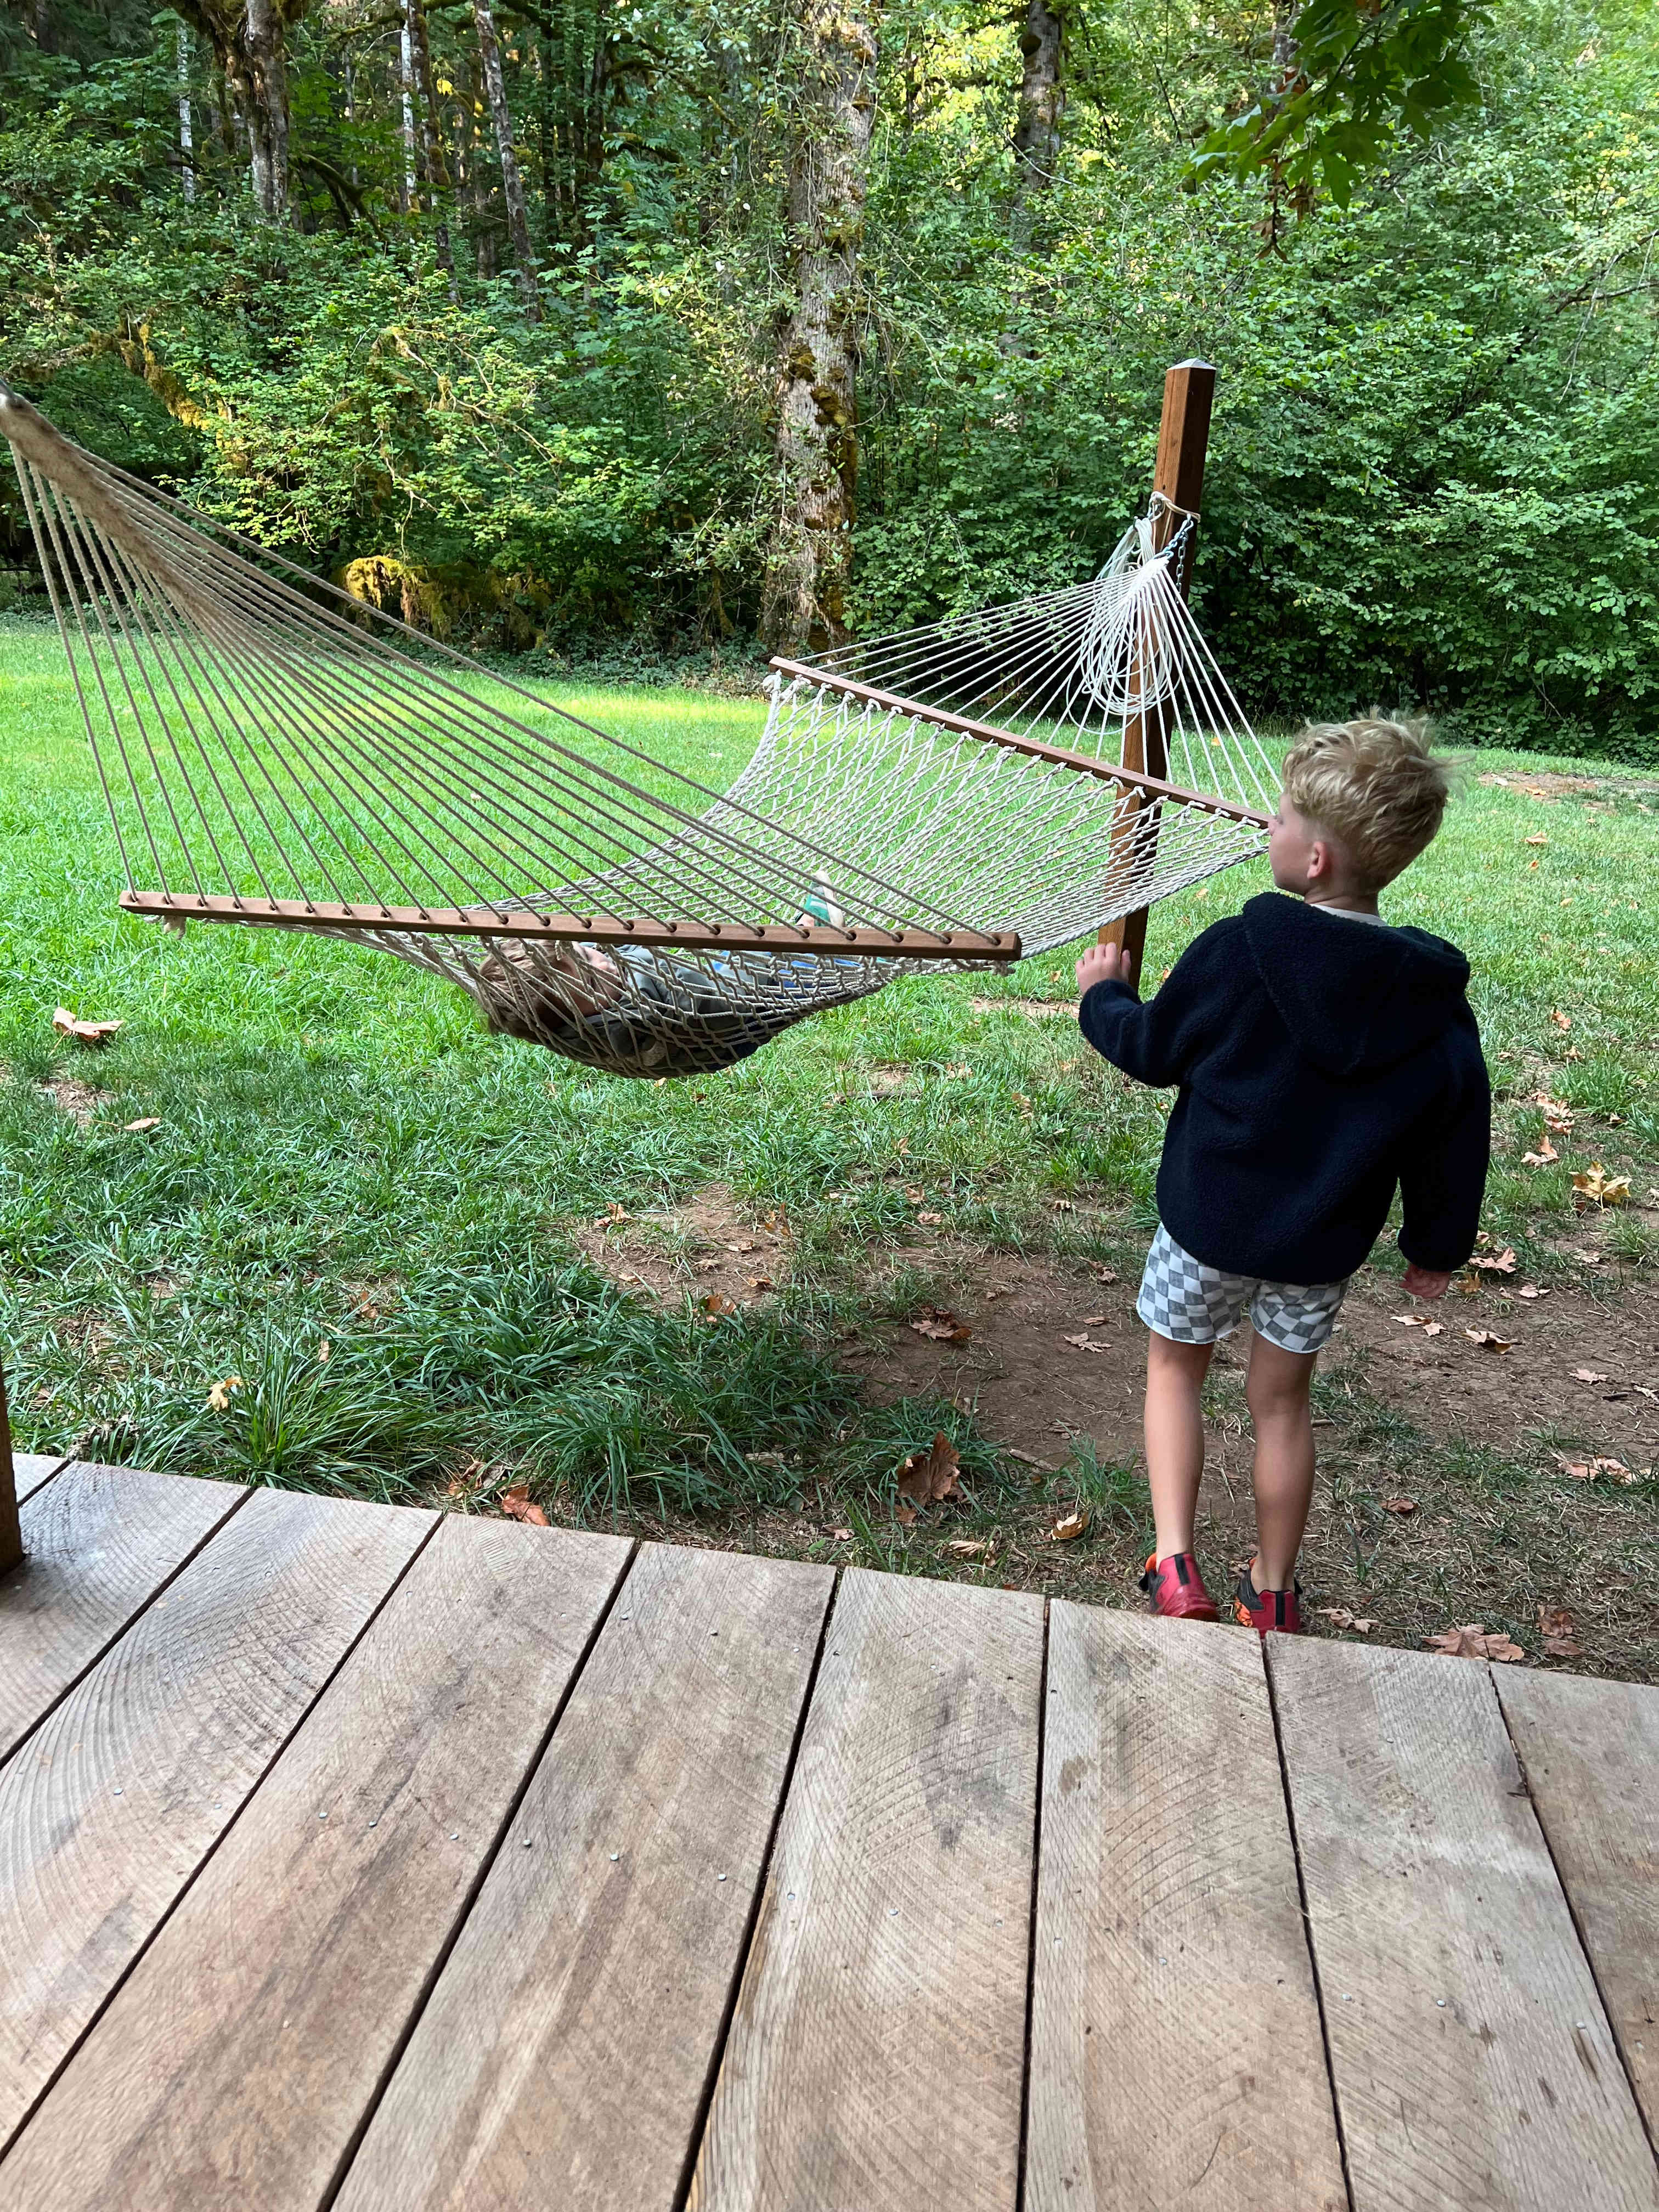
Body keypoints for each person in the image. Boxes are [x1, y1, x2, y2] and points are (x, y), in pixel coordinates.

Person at [1075, 718, 1490, 1634]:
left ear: (1311, 861)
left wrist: (1101, 995)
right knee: (1280, 1402)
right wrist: (1435, 1246)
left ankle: (1175, 1565)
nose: (1268, 825)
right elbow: (1455, 1129)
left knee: (1175, 1373)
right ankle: (1274, 1593)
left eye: (1280, 818)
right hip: (1320, 1245)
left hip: (1206, 1226)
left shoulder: (1236, 952)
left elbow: (1151, 1050)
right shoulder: (1424, 997)